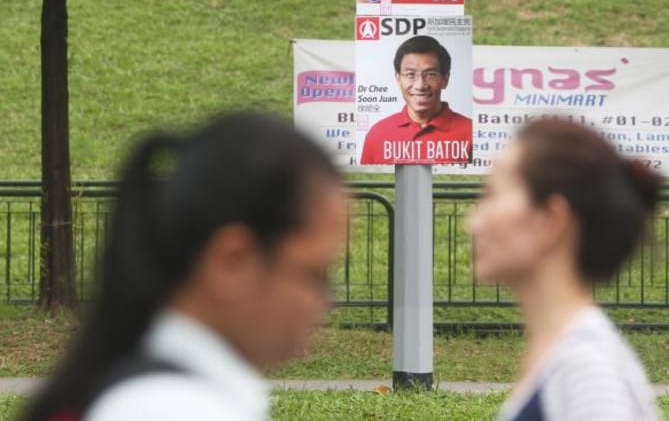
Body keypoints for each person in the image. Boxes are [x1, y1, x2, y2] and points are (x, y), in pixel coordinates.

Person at [23, 112, 348, 421]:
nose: (326, 300)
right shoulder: (174, 409)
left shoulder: (164, 396)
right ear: (232, 261)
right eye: (312, 273)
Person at [468, 118, 662, 421]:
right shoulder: (564, 352)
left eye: (492, 194)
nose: (474, 222)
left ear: (551, 220)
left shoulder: (587, 368)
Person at [360, 35, 472, 165]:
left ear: (445, 80)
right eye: (410, 75)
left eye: (430, 75)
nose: (420, 85)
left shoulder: (470, 132)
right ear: (398, 79)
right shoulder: (377, 134)